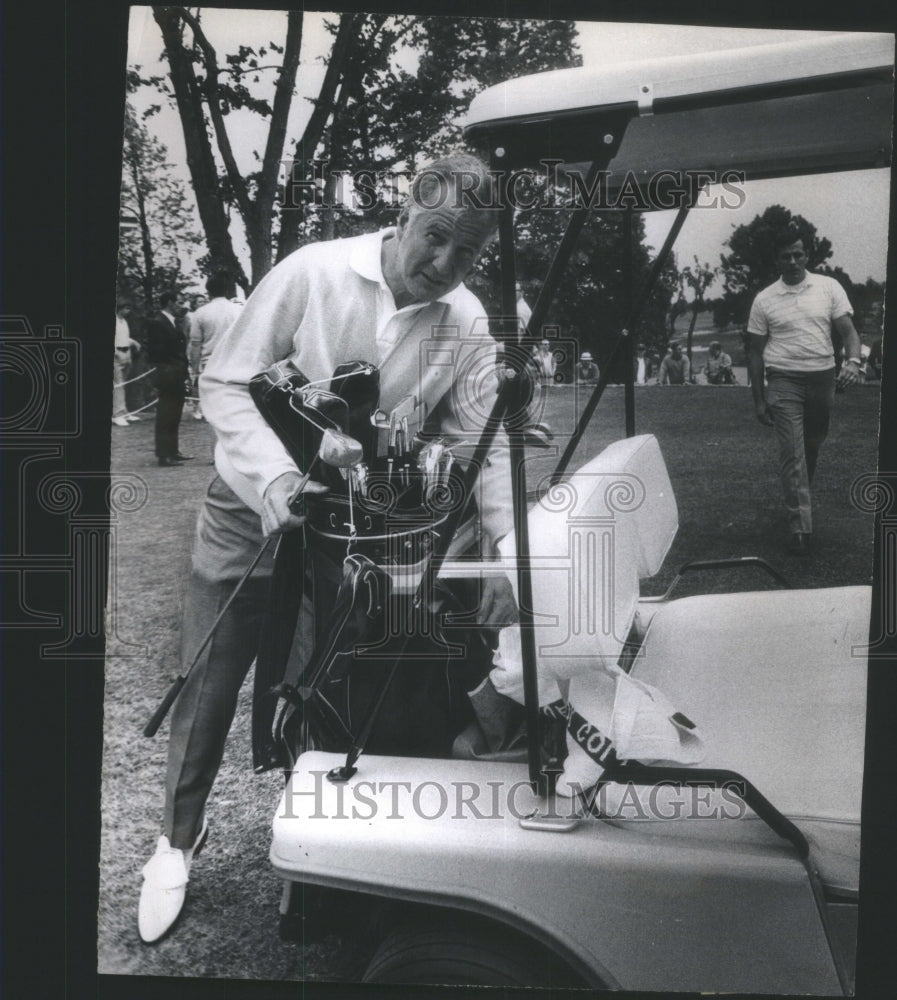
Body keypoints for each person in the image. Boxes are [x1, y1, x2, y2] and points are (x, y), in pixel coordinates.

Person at [137, 153, 518, 943]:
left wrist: (507, 545)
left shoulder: (466, 319)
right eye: (436, 237)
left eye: (467, 253)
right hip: (252, 502)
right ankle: (176, 838)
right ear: (408, 209)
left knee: (329, 676)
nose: (443, 264)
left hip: (359, 523)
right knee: (214, 673)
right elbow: (226, 383)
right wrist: (276, 479)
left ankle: (313, 836)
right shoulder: (312, 273)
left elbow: (481, 433)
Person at [747, 231, 864, 555]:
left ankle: (799, 499)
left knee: (811, 447)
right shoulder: (764, 299)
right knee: (792, 452)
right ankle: (801, 529)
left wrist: (853, 362)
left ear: (807, 256)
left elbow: (848, 332)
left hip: (822, 378)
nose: (793, 261)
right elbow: (755, 352)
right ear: (777, 260)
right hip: (783, 379)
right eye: (786, 256)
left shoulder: (828, 287)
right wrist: (758, 399)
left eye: (798, 254)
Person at [144, 289, 192, 467]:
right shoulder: (158, 323)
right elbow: (157, 352)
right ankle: (164, 454)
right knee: (166, 413)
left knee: (175, 413)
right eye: (179, 302)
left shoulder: (173, 322)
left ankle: (173, 450)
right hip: (168, 374)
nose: (181, 306)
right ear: (170, 303)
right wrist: (167, 371)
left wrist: (183, 371)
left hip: (176, 373)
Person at [187, 275, 243, 422]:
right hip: (233, 359)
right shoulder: (238, 311)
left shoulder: (200, 313)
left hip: (209, 361)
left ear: (208, 291)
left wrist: (194, 368)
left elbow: (196, 344)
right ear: (226, 290)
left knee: (212, 400)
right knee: (230, 397)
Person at [112, 310, 141, 426]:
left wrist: (134, 343)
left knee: (123, 384)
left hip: (126, 353)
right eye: (126, 308)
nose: (128, 311)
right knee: (117, 384)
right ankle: (117, 415)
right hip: (116, 355)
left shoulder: (124, 321)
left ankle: (123, 411)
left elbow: (123, 337)